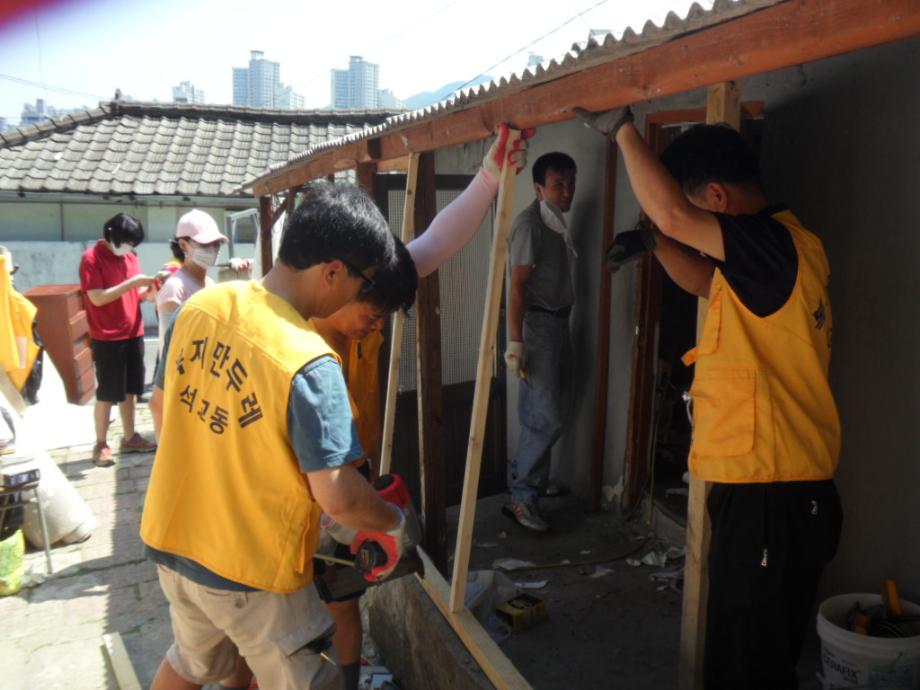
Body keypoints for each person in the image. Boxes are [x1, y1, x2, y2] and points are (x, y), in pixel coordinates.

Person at [576, 107, 842, 689]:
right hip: (772, 494)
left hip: (774, 497)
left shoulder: (771, 247)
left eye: (690, 217)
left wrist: (623, 128)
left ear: (716, 197)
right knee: (745, 655)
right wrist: (655, 241)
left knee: (749, 670)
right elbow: (703, 281)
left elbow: (671, 209)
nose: (678, 227)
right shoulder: (772, 255)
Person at [141, 184, 413, 690]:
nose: (361, 294)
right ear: (333, 271)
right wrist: (394, 523)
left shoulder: (200, 308)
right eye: (364, 280)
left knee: (193, 664)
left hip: (173, 540)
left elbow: (161, 407)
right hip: (251, 569)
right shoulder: (308, 360)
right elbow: (337, 494)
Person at [310, 128, 528, 690]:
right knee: (273, 635)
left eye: (385, 315)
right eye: (374, 313)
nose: (378, 324)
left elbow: (435, 243)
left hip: (341, 496)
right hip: (299, 505)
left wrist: (488, 176)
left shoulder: (368, 292)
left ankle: (351, 680)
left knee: (343, 610)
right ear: (337, 281)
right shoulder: (295, 339)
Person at [502, 151, 578, 532]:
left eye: (570, 183)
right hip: (538, 328)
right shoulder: (530, 225)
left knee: (547, 410)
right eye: (557, 185)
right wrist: (516, 344)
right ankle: (522, 498)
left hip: (559, 325)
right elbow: (516, 288)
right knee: (544, 416)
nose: (566, 192)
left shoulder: (555, 222)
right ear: (537, 188)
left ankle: (528, 482)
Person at [79, 213, 160, 467]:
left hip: (133, 331)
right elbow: (98, 298)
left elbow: (135, 294)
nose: (129, 248)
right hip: (107, 336)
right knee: (107, 393)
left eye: (133, 244)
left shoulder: (130, 257)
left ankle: (130, 436)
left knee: (130, 391)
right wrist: (132, 283)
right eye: (126, 242)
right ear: (111, 235)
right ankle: (101, 443)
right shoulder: (91, 259)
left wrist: (148, 292)